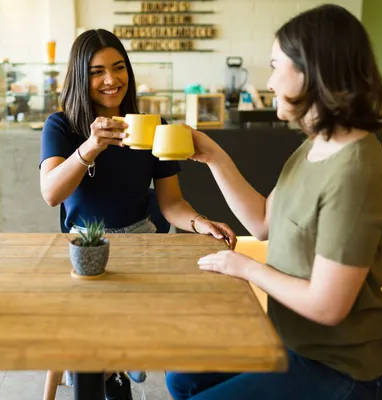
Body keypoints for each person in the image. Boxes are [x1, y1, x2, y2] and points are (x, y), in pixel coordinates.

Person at [166, 4, 382, 400]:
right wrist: (214, 157)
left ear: (312, 71)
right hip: (294, 341)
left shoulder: (357, 172)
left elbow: (327, 307)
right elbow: (262, 221)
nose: (270, 82)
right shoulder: (314, 146)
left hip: (344, 368)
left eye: (276, 66)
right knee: (182, 377)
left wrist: (247, 268)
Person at [39, 28, 236, 400]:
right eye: (97, 71)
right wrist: (91, 146)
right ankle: (112, 370)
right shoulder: (62, 125)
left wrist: (199, 223)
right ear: (81, 76)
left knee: (129, 340)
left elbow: (171, 204)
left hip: (142, 241)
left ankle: (118, 368)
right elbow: (51, 193)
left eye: (118, 68)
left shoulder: (150, 128)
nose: (111, 80)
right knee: (92, 346)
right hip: (87, 245)